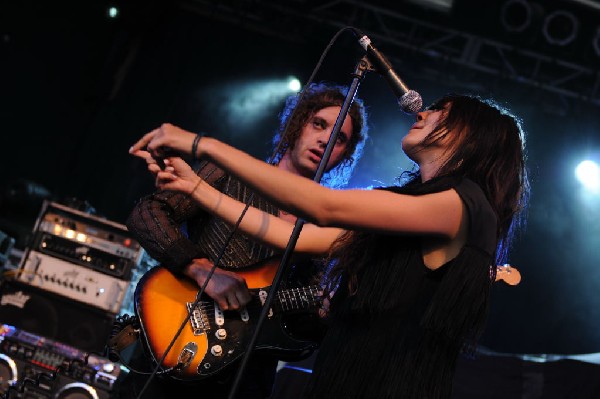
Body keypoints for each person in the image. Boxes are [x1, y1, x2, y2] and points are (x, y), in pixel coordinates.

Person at [130, 93, 529, 398]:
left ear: (470, 135)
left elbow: (323, 207)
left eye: (442, 110)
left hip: (387, 382)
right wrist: (197, 187)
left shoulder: (463, 205)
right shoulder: (415, 206)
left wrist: (203, 144)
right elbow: (297, 237)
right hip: (348, 372)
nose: (422, 112)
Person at [120, 82, 368, 398]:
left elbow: (294, 339)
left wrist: (321, 318)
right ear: (297, 124)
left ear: (345, 154)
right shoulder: (228, 174)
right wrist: (199, 268)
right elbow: (147, 213)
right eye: (318, 124)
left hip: (246, 378)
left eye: (340, 138)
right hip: (177, 345)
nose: (326, 139)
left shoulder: (325, 228)